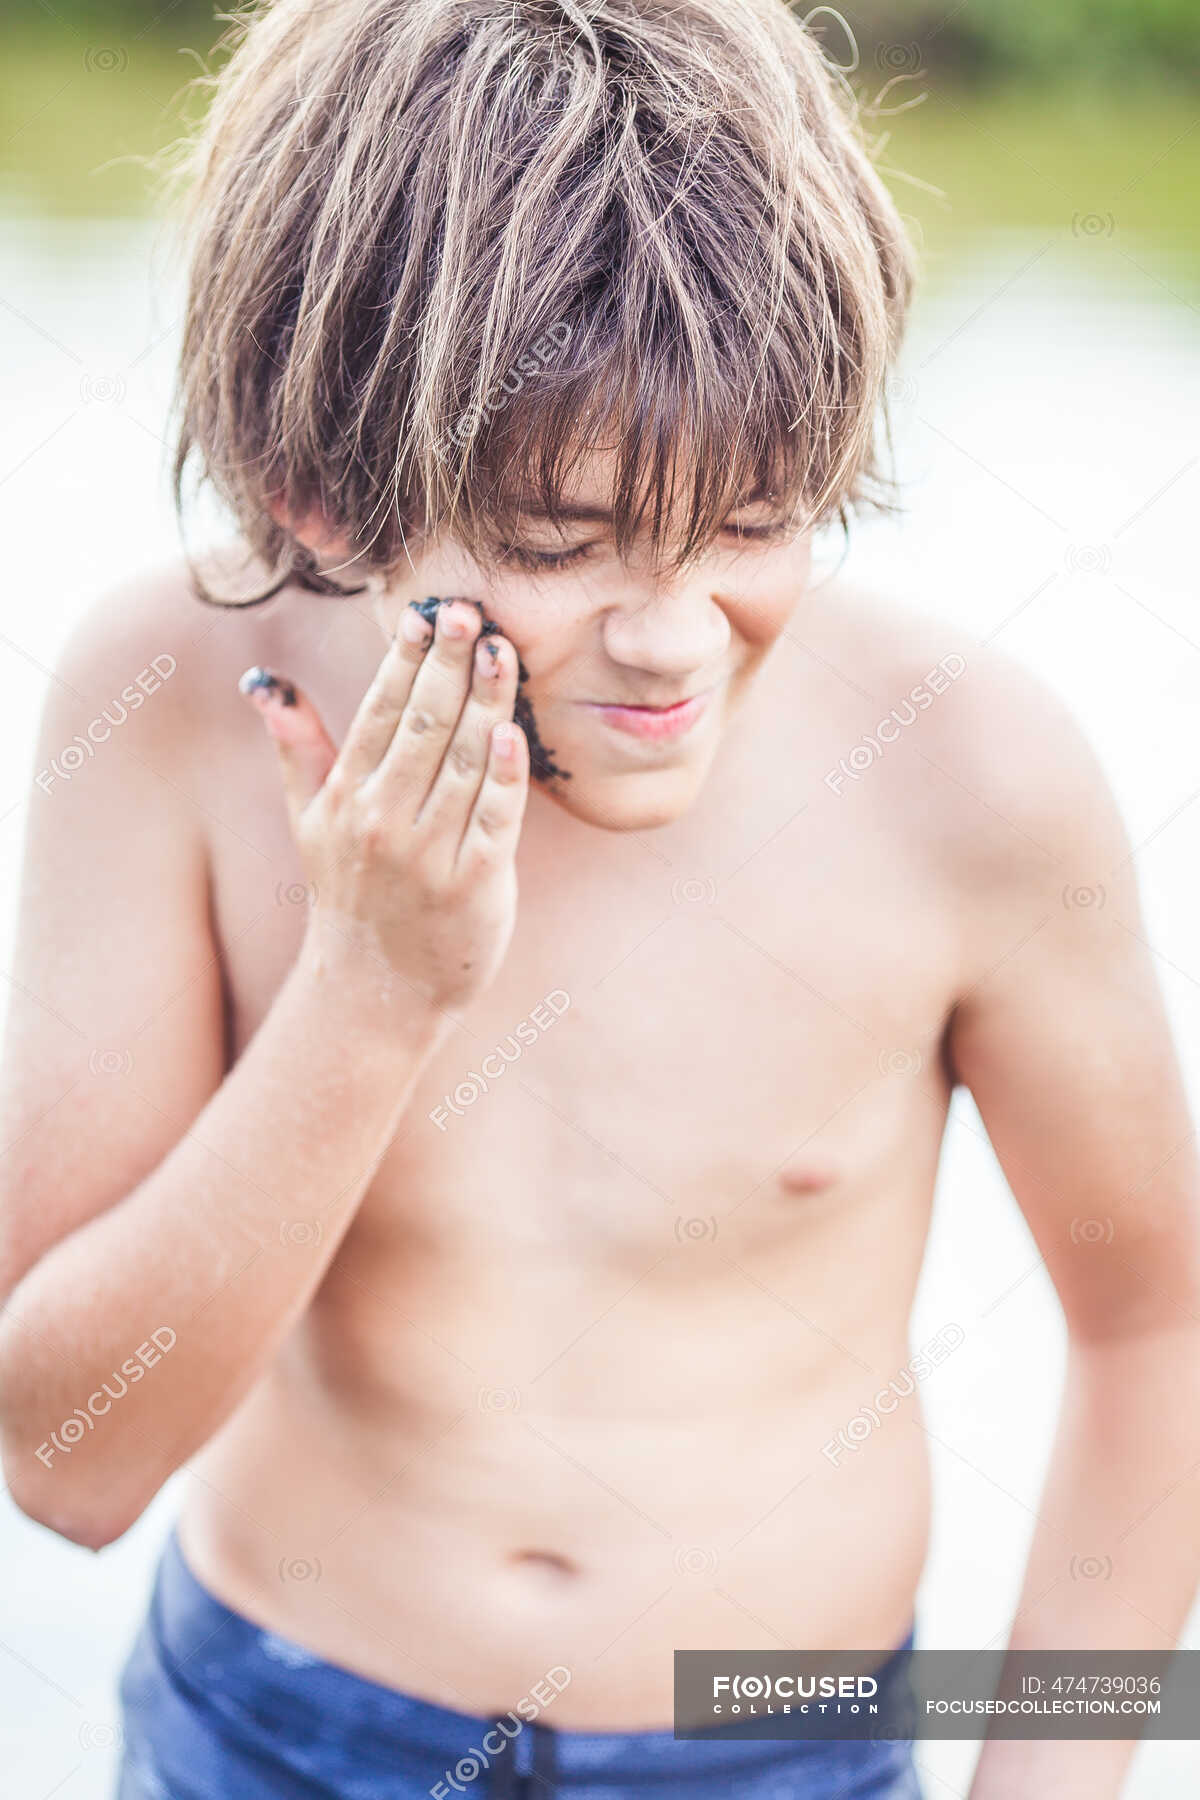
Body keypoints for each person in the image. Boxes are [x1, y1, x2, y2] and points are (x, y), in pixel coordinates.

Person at [2, 1, 1199, 1796]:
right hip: (283, 1723)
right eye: (560, 547)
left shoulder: (971, 775)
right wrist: (374, 986)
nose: (669, 643)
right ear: (312, 489)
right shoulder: (170, 697)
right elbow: (64, 1465)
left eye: (757, 517)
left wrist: (1055, 1777)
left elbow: (1154, 1329)